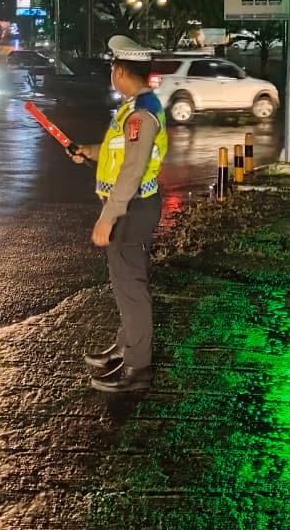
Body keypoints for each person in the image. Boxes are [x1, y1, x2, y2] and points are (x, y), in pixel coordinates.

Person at [68, 34, 169, 393]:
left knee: (132, 288)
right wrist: (88, 151)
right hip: (131, 208)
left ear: (121, 71)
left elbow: (133, 169)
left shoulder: (141, 113)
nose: (111, 73)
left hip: (131, 210)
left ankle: (137, 367)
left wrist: (108, 217)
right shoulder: (135, 107)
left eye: (113, 67)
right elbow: (119, 152)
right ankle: (127, 347)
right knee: (126, 285)